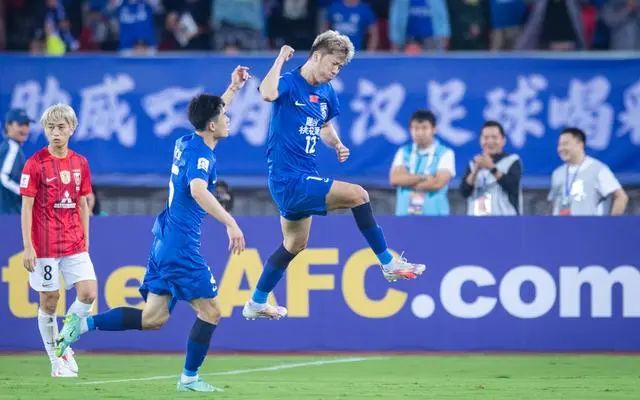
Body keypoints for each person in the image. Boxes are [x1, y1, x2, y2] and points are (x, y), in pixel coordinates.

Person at [55, 66, 250, 392]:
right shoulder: (201, 155)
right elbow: (199, 190)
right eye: (224, 116)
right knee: (212, 311)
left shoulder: (186, 141)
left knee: (152, 319)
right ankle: (189, 379)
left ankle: (81, 324)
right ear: (212, 126)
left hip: (164, 241)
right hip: (180, 247)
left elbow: (211, 114)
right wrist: (231, 223)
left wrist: (233, 88)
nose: (228, 119)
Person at [243, 30, 425, 321]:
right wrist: (279, 59)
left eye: (341, 67)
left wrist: (337, 144)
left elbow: (324, 125)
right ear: (317, 56)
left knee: (294, 245)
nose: (336, 71)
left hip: (304, 177)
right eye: (334, 64)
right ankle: (388, 263)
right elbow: (266, 93)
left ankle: (256, 302)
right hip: (289, 180)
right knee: (359, 195)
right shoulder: (288, 82)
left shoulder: (327, 92)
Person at [19, 103, 96, 378]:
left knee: (89, 293)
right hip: (44, 247)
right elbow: (26, 207)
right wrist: (28, 246)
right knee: (50, 300)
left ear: (71, 128)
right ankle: (56, 361)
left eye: (61, 127)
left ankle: (64, 340)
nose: (55, 132)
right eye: (50, 127)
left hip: (74, 242)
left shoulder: (80, 163)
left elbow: (83, 202)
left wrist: (86, 236)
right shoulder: (35, 163)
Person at [548, 127, 628, 216]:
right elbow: (554, 204)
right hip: (560, 224)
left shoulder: (598, 169)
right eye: (559, 145)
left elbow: (621, 197)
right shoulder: (557, 173)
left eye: (565, 144)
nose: (561, 148)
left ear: (580, 144)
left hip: (589, 224)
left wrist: (612, 222)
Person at [389, 109, 455, 216]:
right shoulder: (403, 151)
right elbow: (395, 179)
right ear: (410, 130)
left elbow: (437, 183)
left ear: (434, 129)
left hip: (435, 218)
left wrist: (406, 180)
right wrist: (423, 177)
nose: (419, 133)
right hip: (404, 217)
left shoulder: (445, 153)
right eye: (415, 128)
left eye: (424, 128)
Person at [460, 121, 522, 216]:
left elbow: (512, 186)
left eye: (494, 137)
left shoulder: (512, 161)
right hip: (478, 219)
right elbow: (464, 192)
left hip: (506, 219)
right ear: (480, 141)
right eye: (486, 138)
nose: (490, 141)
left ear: (503, 140)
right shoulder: (473, 163)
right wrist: (475, 171)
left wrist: (492, 168)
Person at [1, 108, 32, 214]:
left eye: (27, 124)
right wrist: (26, 193)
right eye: (20, 124)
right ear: (8, 125)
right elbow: (3, 178)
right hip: (8, 214)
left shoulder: (12, 148)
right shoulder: (12, 148)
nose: (25, 129)